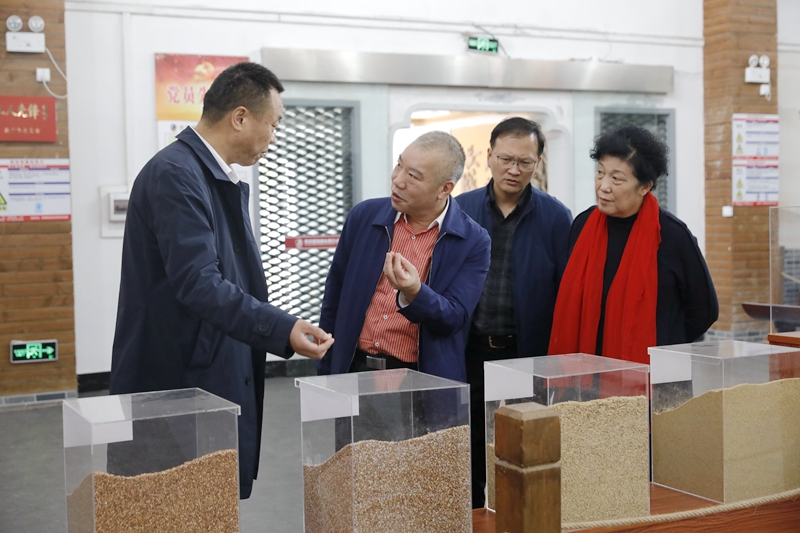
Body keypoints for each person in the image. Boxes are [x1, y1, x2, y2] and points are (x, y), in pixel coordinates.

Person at [109, 62, 333, 499]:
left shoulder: (206, 174)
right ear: (241, 117)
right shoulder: (177, 174)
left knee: (206, 506)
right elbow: (200, 284)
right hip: (178, 380)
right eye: (274, 125)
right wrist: (282, 328)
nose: (273, 138)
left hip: (203, 370)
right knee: (175, 506)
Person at [455, 117, 572, 509]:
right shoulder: (460, 210)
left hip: (527, 356)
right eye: (506, 159)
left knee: (523, 452)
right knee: (470, 450)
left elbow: (565, 293)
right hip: (470, 354)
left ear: (537, 163)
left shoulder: (556, 217)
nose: (514, 170)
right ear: (490, 156)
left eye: (525, 162)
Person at [317, 131, 491, 383]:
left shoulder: (472, 240)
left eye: (413, 176)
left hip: (419, 378)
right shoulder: (364, 216)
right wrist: (326, 369)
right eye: (399, 165)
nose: (398, 180)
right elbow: (334, 296)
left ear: (444, 189)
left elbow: (454, 319)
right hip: (353, 367)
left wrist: (415, 292)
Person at [549, 124, 718, 365]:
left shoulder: (672, 235)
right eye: (600, 173)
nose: (603, 186)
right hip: (586, 368)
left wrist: (665, 342)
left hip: (655, 370)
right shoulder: (583, 225)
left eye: (616, 178)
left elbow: (704, 311)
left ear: (645, 187)